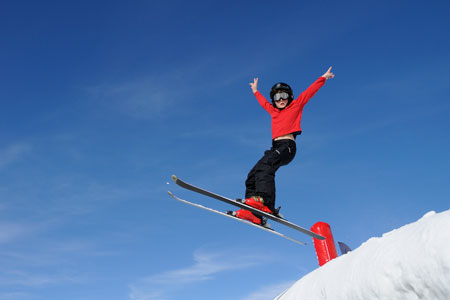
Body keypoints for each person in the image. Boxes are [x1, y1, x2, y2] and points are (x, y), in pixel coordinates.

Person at [234, 67, 335, 225]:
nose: (281, 99)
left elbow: (309, 92)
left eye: (284, 96)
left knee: (265, 167)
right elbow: (263, 103)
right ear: (273, 100)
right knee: (252, 175)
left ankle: (265, 204)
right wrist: (255, 90)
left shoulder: (295, 106)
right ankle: (254, 213)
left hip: (287, 146)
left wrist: (323, 77)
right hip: (275, 147)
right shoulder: (273, 111)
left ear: (290, 97)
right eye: (277, 97)